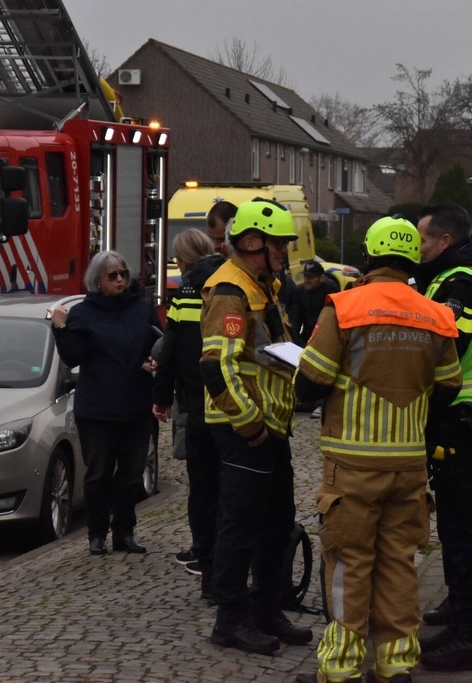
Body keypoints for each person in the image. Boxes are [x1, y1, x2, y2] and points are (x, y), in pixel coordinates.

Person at [292, 216, 462, 683]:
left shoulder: (345, 307)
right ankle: (396, 663)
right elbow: (449, 387)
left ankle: (342, 667)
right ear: (412, 261)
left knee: (348, 562)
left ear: (368, 257)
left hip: (352, 463)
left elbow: (310, 383)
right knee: (398, 563)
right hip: (408, 465)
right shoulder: (435, 314)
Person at [200, 198, 312, 655]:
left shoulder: (263, 285)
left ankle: (266, 610)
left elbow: (270, 350)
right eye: (279, 244)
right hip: (243, 428)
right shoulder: (230, 289)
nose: (285, 252)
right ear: (251, 242)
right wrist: (249, 424)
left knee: (277, 523)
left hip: (270, 426)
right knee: (241, 525)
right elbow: (216, 366)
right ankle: (230, 620)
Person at [414, 202, 472, 673]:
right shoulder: (452, 278)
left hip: (468, 420)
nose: (417, 248)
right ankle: (466, 616)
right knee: (463, 524)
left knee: (466, 528)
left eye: (422, 240)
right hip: (470, 419)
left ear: (444, 241)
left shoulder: (463, 283)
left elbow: (445, 345)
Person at [51, 251, 161, 556]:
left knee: (131, 475)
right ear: (97, 280)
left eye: (123, 273)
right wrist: (60, 328)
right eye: (112, 275)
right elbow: (73, 355)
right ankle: (96, 533)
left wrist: (153, 360)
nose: (120, 280)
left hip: (136, 406)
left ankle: (124, 532)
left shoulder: (141, 308)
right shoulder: (83, 314)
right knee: (99, 474)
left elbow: (158, 342)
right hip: (97, 410)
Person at [152, 229, 226, 593]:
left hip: (197, 403)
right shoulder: (230, 281)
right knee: (230, 486)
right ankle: (230, 562)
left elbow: (170, 348)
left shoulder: (184, 293)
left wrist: (162, 397)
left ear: (182, 260)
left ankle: (207, 564)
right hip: (231, 399)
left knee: (202, 488)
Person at [288, 260, 340, 345]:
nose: (306, 280)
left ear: (321, 278)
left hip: (326, 336)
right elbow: (295, 319)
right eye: (305, 276)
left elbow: (334, 317)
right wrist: (295, 343)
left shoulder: (330, 289)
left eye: (311, 277)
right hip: (307, 336)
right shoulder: (299, 291)